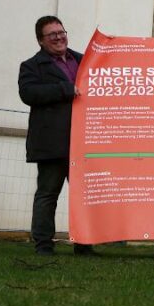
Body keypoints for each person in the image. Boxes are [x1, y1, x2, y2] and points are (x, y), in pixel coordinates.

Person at [18, 15, 94, 256]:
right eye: (52, 34)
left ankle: (84, 245)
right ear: (41, 41)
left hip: (82, 142)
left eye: (61, 32)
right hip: (51, 143)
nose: (59, 37)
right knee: (48, 195)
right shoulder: (31, 66)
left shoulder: (85, 60)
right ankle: (43, 245)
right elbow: (28, 93)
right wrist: (64, 89)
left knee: (84, 197)